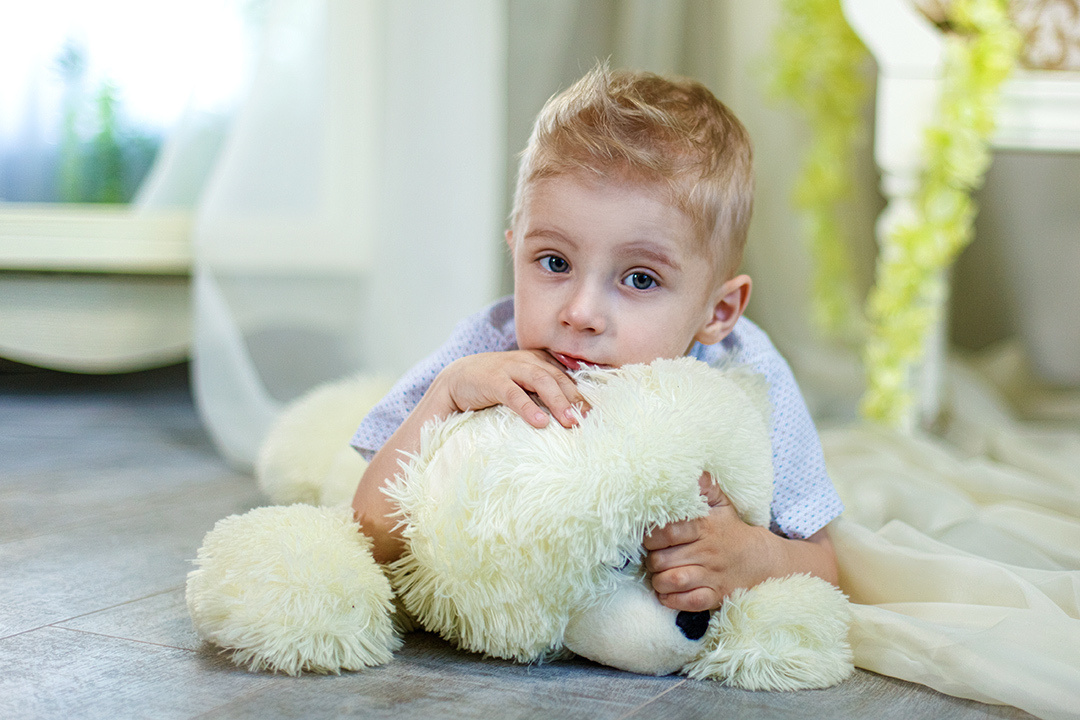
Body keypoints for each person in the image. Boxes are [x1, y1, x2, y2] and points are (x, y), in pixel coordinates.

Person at [350, 63, 843, 614]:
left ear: (718, 310)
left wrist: (755, 557)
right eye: (554, 261)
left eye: (640, 278)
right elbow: (367, 530)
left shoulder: (745, 370)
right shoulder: (491, 345)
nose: (581, 313)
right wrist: (443, 396)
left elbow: (823, 564)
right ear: (515, 250)